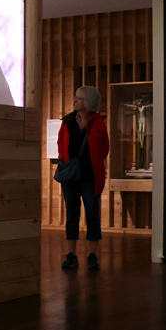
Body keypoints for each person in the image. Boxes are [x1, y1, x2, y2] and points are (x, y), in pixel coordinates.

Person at [57, 86, 110, 270]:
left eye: (79, 98)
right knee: (72, 214)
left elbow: (104, 148)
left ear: (88, 102)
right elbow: (61, 144)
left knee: (92, 214)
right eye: (75, 97)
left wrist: (93, 163)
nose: (75, 100)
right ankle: (71, 255)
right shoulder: (67, 121)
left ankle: (92, 255)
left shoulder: (98, 123)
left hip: (90, 177)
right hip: (70, 177)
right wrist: (65, 161)